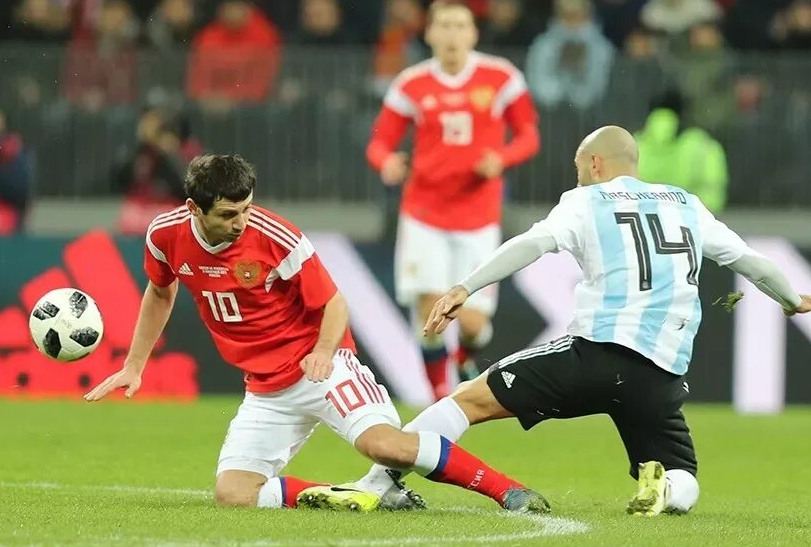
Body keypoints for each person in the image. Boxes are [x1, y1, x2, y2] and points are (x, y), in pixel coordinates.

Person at [340, 126, 811, 516]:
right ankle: (665, 490)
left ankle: (378, 483)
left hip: (595, 355)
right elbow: (751, 263)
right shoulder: (685, 203)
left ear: (595, 164)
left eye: (578, 169)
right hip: (660, 374)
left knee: (468, 399)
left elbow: (530, 245)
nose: (577, 179)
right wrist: (791, 300)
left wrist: (466, 287)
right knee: (683, 475)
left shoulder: (585, 201)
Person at [84, 154, 550, 514]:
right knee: (234, 493)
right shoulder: (165, 235)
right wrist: (134, 365)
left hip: (321, 366)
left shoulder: (275, 236)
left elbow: (334, 303)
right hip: (265, 388)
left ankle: (508, 491)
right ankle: (360, 496)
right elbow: (160, 291)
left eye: (245, 209)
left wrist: (325, 352)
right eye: (227, 214)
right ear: (193, 208)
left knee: (385, 446)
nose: (240, 222)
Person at [366, 0, 540, 399]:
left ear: (473, 34)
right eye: (443, 25)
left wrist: (502, 158)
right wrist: (386, 162)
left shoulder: (501, 77)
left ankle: (464, 356)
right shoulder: (411, 83)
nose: (452, 34)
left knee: (474, 324)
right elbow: (379, 143)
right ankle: (440, 397)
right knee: (430, 311)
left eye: (460, 26)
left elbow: (529, 136)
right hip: (424, 213)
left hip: (479, 215)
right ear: (429, 33)